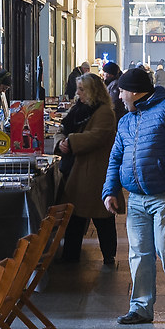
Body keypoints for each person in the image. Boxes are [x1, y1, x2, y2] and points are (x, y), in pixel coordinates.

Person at [104, 65, 165, 325]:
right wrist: (110, 190)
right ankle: (141, 308)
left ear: (134, 93)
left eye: (122, 92)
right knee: (138, 253)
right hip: (136, 198)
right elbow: (115, 159)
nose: (119, 97)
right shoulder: (125, 121)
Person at [55, 73, 119, 263]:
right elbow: (62, 128)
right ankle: (70, 256)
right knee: (74, 217)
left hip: (93, 172)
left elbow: (97, 136)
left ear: (93, 91)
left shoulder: (105, 112)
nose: (78, 93)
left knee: (101, 217)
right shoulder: (79, 109)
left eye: (82, 89)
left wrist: (70, 141)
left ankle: (109, 255)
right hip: (75, 170)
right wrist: (60, 143)